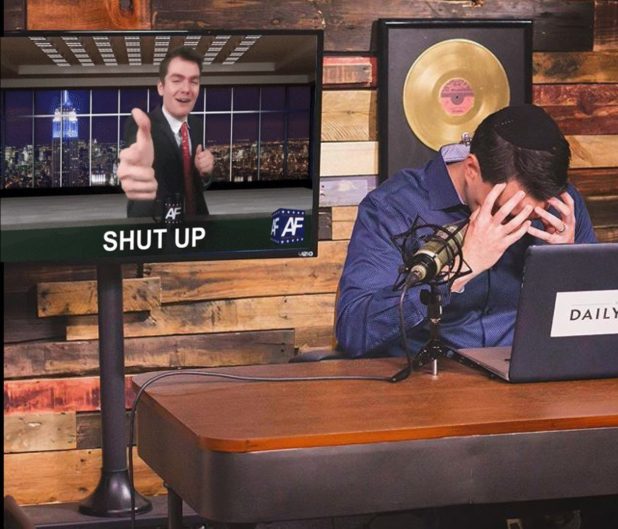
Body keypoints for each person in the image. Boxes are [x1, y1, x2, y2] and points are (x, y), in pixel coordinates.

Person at [336, 104, 597, 358]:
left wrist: (562, 268)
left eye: (532, 217)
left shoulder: (561, 207)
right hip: (430, 374)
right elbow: (354, 333)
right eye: (507, 211)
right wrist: (460, 269)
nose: (518, 224)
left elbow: (596, 324)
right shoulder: (394, 207)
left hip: (528, 371)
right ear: (471, 169)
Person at [117, 46, 214, 218]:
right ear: (161, 87)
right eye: (177, 80)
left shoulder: (196, 125)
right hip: (155, 225)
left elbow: (192, 183)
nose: (186, 89)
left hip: (197, 224)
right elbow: (136, 152)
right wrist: (137, 169)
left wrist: (204, 172)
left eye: (194, 81)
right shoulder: (142, 126)